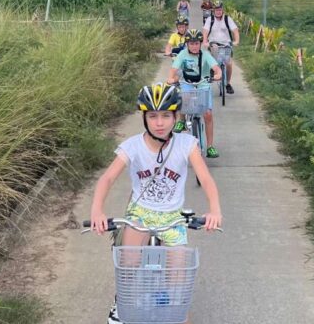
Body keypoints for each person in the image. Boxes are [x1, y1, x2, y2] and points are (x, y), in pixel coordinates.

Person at [89, 83, 223, 324]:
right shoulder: (132, 146)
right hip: (140, 214)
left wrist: (215, 209)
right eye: (152, 116)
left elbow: (205, 177)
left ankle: (174, 311)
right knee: (128, 266)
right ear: (144, 117)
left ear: (175, 117)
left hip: (173, 217)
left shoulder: (186, 144)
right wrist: (97, 210)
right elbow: (107, 178)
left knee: (178, 288)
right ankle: (122, 302)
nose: (159, 122)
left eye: (165, 115)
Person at [167, 29, 222, 158]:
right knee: (183, 100)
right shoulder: (182, 54)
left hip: (203, 84)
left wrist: (218, 74)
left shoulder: (205, 54)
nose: (194, 46)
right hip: (187, 83)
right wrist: (170, 78)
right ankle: (181, 120)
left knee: (208, 114)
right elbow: (173, 70)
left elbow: (216, 68)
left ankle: (209, 147)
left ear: (200, 43)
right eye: (191, 43)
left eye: (197, 43)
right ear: (187, 44)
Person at [203, 0, 239, 94]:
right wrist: (205, 41)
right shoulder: (209, 20)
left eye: (220, 9)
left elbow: (235, 30)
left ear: (222, 10)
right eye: (216, 10)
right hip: (214, 43)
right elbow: (205, 32)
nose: (218, 11)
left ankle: (228, 84)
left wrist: (236, 41)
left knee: (229, 63)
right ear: (213, 10)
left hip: (226, 44)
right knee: (213, 55)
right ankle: (212, 70)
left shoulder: (227, 19)